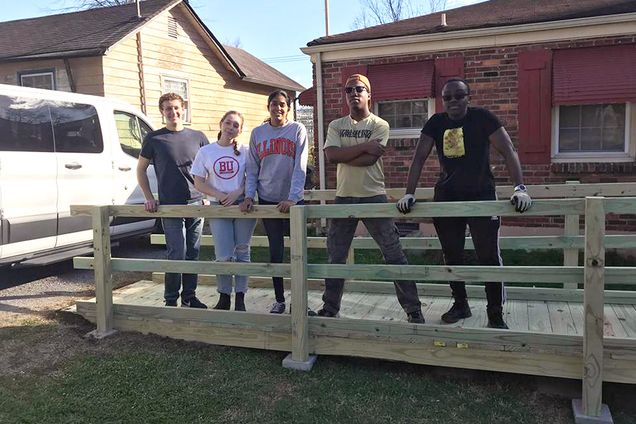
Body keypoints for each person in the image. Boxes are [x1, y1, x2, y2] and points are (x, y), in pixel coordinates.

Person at [396, 78, 532, 329]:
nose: (453, 101)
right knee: (452, 255)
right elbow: (418, 158)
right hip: (447, 197)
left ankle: (495, 313)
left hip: (481, 196)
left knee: (488, 256)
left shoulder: (483, 118)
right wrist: (409, 193)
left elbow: (508, 149)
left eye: (459, 96)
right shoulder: (436, 123)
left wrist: (520, 188)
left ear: (468, 97)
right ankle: (461, 304)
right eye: (447, 97)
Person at [316, 74, 425, 323]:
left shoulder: (380, 124)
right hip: (344, 198)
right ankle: (330, 308)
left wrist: (346, 154)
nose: (354, 93)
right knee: (336, 256)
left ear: (369, 94)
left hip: (374, 197)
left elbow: (369, 159)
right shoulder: (336, 125)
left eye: (359, 89)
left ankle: (413, 309)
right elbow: (331, 157)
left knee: (393, 252)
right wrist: (363, 147)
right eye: (349, 89)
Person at [136, 92, 209, 308]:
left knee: (193, 253)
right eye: (167, 108)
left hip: (196, 203)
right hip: (169, 205)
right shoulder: (154, 139)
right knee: (176, 252)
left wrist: (207, 195)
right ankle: (171, 300)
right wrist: (149, 198)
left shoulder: (198, 137)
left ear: (183, 108)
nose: (173, 112)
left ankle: (189, 297)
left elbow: (209, 168)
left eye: (176, 107)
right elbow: (140, 170)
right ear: (162, 112)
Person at [239, 90, 308, 314]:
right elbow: (252, 168)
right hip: (269, 201)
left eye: (282, 104)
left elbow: (300, 166)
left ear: (288, 108)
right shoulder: (259, 133)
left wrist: (293, 198)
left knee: (299, 253)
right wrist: (250, 195)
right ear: (267, 107)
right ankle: (279, 299)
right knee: (275, 252)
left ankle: (300, 300)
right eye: (273, 104)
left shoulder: (297, 130)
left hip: (293, 203)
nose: (278, 108)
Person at [192, 111, 256, 312]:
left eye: (236, 125)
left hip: (241, 206)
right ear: (220, 124)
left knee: (242, 251)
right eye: (228, 123)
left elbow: (251, 177)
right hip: (219, 206)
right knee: (223, 254)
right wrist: (219, 195)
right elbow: (199, 181)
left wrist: (238, 192)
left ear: (240, 130)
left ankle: (240, 298)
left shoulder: (245, 151)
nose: (231, 127)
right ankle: (224, 296)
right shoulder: (206, 152)